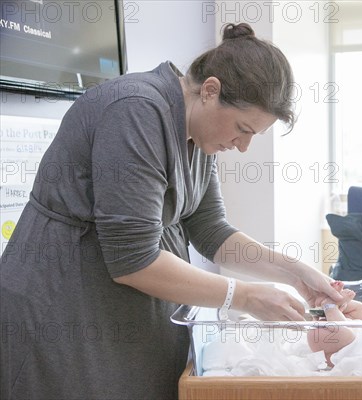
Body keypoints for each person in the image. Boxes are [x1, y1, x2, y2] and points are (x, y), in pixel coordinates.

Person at [0, 23, 343, 400]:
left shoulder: (198, 134)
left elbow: (212, 231)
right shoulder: (136, 110)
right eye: (242, 129)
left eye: (253, 136)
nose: (243, 147)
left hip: (121, 309)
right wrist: (244, 296)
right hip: (64, 301)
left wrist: (294, 272)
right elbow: (133, 259)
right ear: (210, 91)